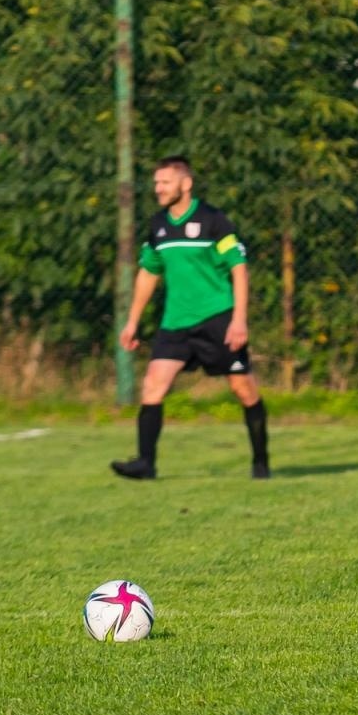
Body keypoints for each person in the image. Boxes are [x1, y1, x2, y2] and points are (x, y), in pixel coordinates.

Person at [111, 156, 270, 480]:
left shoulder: (213, 221)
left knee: (244, 390)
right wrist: (132, 321)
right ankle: (145, 463)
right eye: (156, 183)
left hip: (218, 319)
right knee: (153, 385)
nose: (158, 189)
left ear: (185, 184)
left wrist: (239, 320)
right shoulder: (158, 226)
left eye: (165, 182)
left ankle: (261, 462)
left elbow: (239, 269)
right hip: (176, 323)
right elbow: (148, 273)